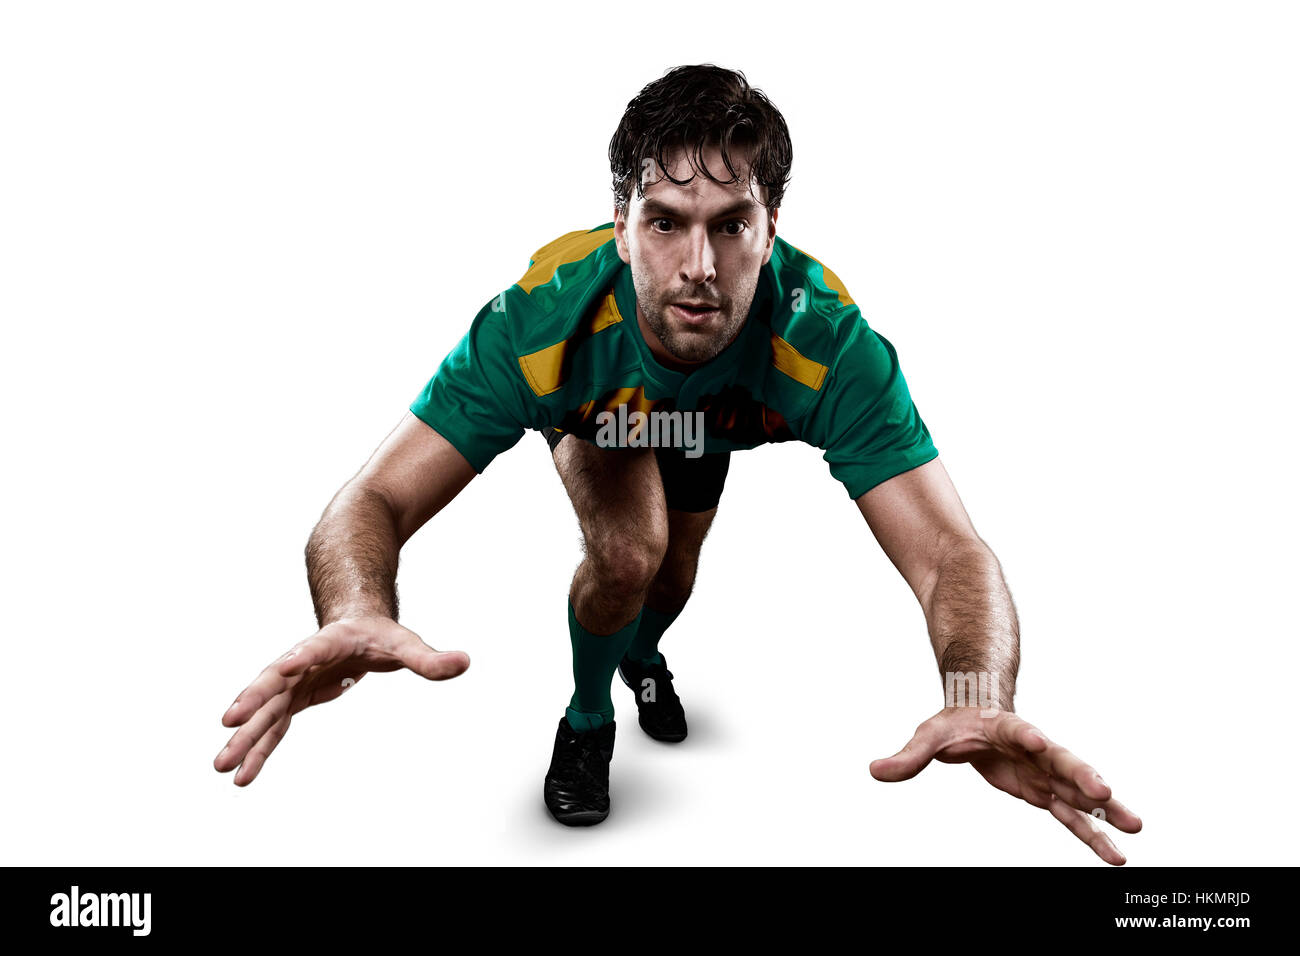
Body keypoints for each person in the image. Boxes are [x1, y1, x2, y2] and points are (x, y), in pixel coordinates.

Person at [214, 64, 1142, 863]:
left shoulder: (826, 339)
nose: (698, 263)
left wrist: (977, 694)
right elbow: (374, 494)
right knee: (630, 551)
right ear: (620, 227)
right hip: (603, 417)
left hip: (716, 426)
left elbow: (949, 552)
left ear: (771, 228)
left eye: (730, 225)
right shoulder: (542, 322)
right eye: (665, 223)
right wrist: (356, 610)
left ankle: (643, 657)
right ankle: (587, 720)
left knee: (676, 572)